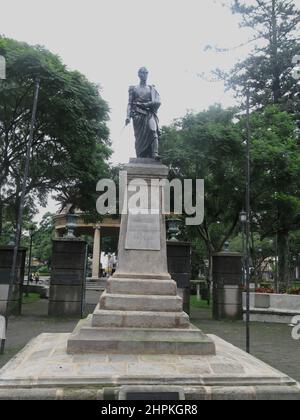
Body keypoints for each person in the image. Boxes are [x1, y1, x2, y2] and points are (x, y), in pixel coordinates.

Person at [126, 67, 161, 159]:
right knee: (139, 138)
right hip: (137, 115)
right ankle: (141, 156)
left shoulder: (152, 89)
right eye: (142, 73)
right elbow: (129, 103)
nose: (144, 74)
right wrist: (127, 116)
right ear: (138, 75)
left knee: (153, 131)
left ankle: (155, 153)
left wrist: (147, 104)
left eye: (146, 73)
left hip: (149, 113)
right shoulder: (133, 88)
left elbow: (158, 102)